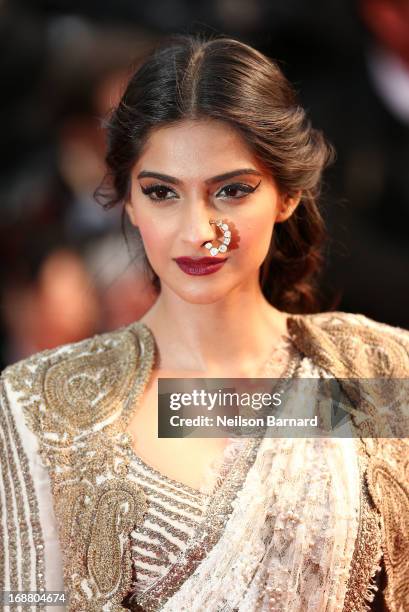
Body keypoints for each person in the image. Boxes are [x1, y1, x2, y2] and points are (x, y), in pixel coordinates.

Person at [1, 33, 408, 612]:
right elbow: (23, 599)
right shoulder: (40, 401)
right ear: (129, 201)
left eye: (233, 191)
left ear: (287, 194)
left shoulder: (383, 370)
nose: (198, 232)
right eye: (163, 192)